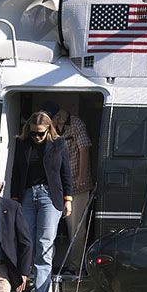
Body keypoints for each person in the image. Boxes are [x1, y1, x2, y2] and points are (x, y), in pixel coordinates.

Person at [11, 111, 73, 292]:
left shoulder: (59, 144)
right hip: (27, 195)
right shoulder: (23, 143)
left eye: (40, 133)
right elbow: (16, 172)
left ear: (48, 129)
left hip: (49, 196)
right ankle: (25, 283)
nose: (36, 137)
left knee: (44, 243)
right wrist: (14, 199)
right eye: (33, 134)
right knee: (26, 241)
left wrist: (68, 200)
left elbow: (66, 173)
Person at [42, 101, 94, 274]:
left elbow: (84, 149)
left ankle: (75, 269)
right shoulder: (48, 130)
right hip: (57, 187)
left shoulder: (76, 123)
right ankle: (46, 269)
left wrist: (81, 178)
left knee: (76, 230)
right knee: (49, 229)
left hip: (77, 187)